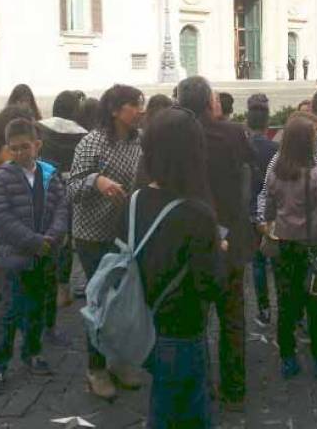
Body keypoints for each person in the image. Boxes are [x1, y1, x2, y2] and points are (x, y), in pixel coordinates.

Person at [129, 107, 223, 429]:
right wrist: (217, 250)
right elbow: (210, 284)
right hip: (183, 330)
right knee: (189, 413)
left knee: (163, 403)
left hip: (144, 325)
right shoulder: (198, 214)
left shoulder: (136, 199)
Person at [177, 76, 256, 412]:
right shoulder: (234, 133)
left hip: (189, 239)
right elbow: (253, 162)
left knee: (192, 319)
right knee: (232, 317)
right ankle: (234, 388)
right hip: (229, 237)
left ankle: (196, 386)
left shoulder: (174, 136)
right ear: (211, 102)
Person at [68, 84, 144, 399]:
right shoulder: (92, 142)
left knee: (123, 300)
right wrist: (95, 180)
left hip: (124, 234)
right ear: (115, 110)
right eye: (134, 105)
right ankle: (95, 368)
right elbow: (70, 188)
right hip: (91, 237)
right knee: (99, 300)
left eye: (141, 104)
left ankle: (118, 361)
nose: (140, 110)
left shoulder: (139, 142)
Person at [0, 118, 68, 394]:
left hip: (43, 256)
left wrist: (52, 237)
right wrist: (33, 241)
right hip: (14, 259)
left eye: (25, 147)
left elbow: (61, 208)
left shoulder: (49, 173)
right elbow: (2, 217)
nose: (20, 153)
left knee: (35, 309)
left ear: (37, 145)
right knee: (9, 312)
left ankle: (32, 352)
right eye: (14, 148)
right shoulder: (2, 177)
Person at [261, 115, 317, 379]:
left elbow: (268, 210)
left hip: (283, 245)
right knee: (314, 304)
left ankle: (288, 358)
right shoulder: (315, 176)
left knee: (285, 303)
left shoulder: (273, 173)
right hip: (312, 245)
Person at [36, 91, 88, 339]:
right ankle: (63, 287)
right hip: (69, 189)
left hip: (45, 186)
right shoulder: (82, 134)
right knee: (65, 235)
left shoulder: (41, 129)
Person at [245, 95, 279, 327]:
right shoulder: (276, 148)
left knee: (257, 262)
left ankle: (264, 309)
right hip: (272, 210)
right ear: (267, 124)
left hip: (249, 209)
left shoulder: (242, 147)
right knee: (276, 260)